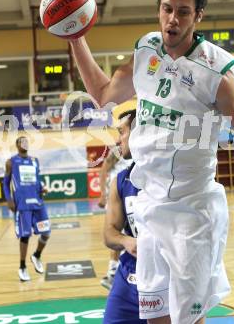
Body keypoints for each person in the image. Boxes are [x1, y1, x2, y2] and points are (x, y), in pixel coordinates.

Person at [69, 0, 234, 323]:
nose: (172, 20)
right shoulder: (146, 51)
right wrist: (75, 38)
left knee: (188, 319)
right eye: (166, 9)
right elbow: (103, 94)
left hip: (193, 213)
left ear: (198, 15)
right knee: (155, 317)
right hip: (149, 208)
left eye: (182, 11)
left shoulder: (216, 74)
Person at [103, 109, 147, 324]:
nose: (118, 138)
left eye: (122, 132)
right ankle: (112, 269)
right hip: (129, 275)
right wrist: (125, 240)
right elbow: (109, 233)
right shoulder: (121, 180)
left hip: (168, 275)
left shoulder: (172, 175)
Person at [3, 136, 50, 282]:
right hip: (23, 205)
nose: (25, 143)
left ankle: (36, 255)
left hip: (37, 203)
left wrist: (42, 188)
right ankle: (22, 267)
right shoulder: (11, 162)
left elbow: (37, 179)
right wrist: (9, 200)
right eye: (21, 141)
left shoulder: (34, 161)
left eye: (26, 141)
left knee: (46, 233)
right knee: (25, 236)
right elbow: (5, 183)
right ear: (17, 145)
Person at [99, 145, 133, 290]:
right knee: (116, 233)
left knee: (129, 234)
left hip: (129, 194)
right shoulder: (118, 151)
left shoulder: (138, 151)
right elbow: (103, 170)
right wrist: (102, 193)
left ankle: (115, 272)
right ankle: (112, 272)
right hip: (117, 194)